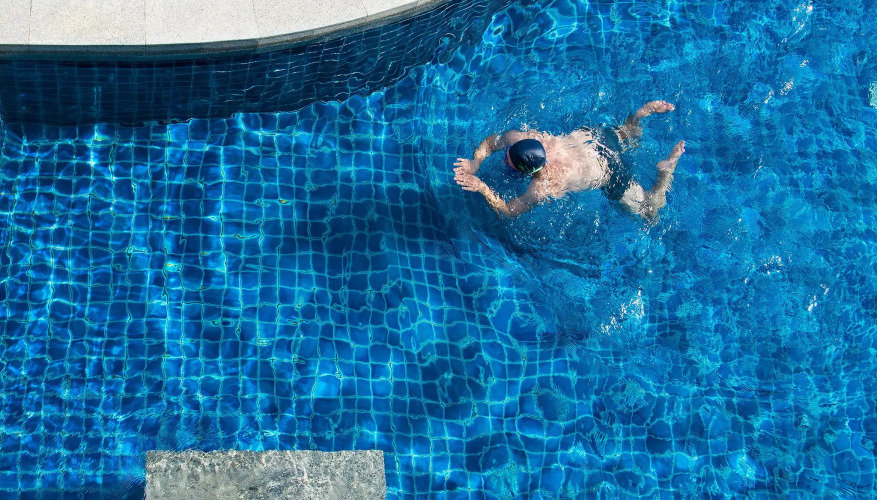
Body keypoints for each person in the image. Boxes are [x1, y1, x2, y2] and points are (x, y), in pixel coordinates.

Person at [453, 101, 685, 220]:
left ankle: (667, 170)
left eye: (511, 167)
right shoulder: (522, 138)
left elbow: (509, 211)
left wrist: (482, 187)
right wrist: (475, 163)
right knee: (627, 134)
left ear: (530, 172)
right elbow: (491, 142)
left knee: (649, 211)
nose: (504, 162)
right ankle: (638, 117)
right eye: (507, 157)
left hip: (609, 172)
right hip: (596, 139)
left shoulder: (542, 185)